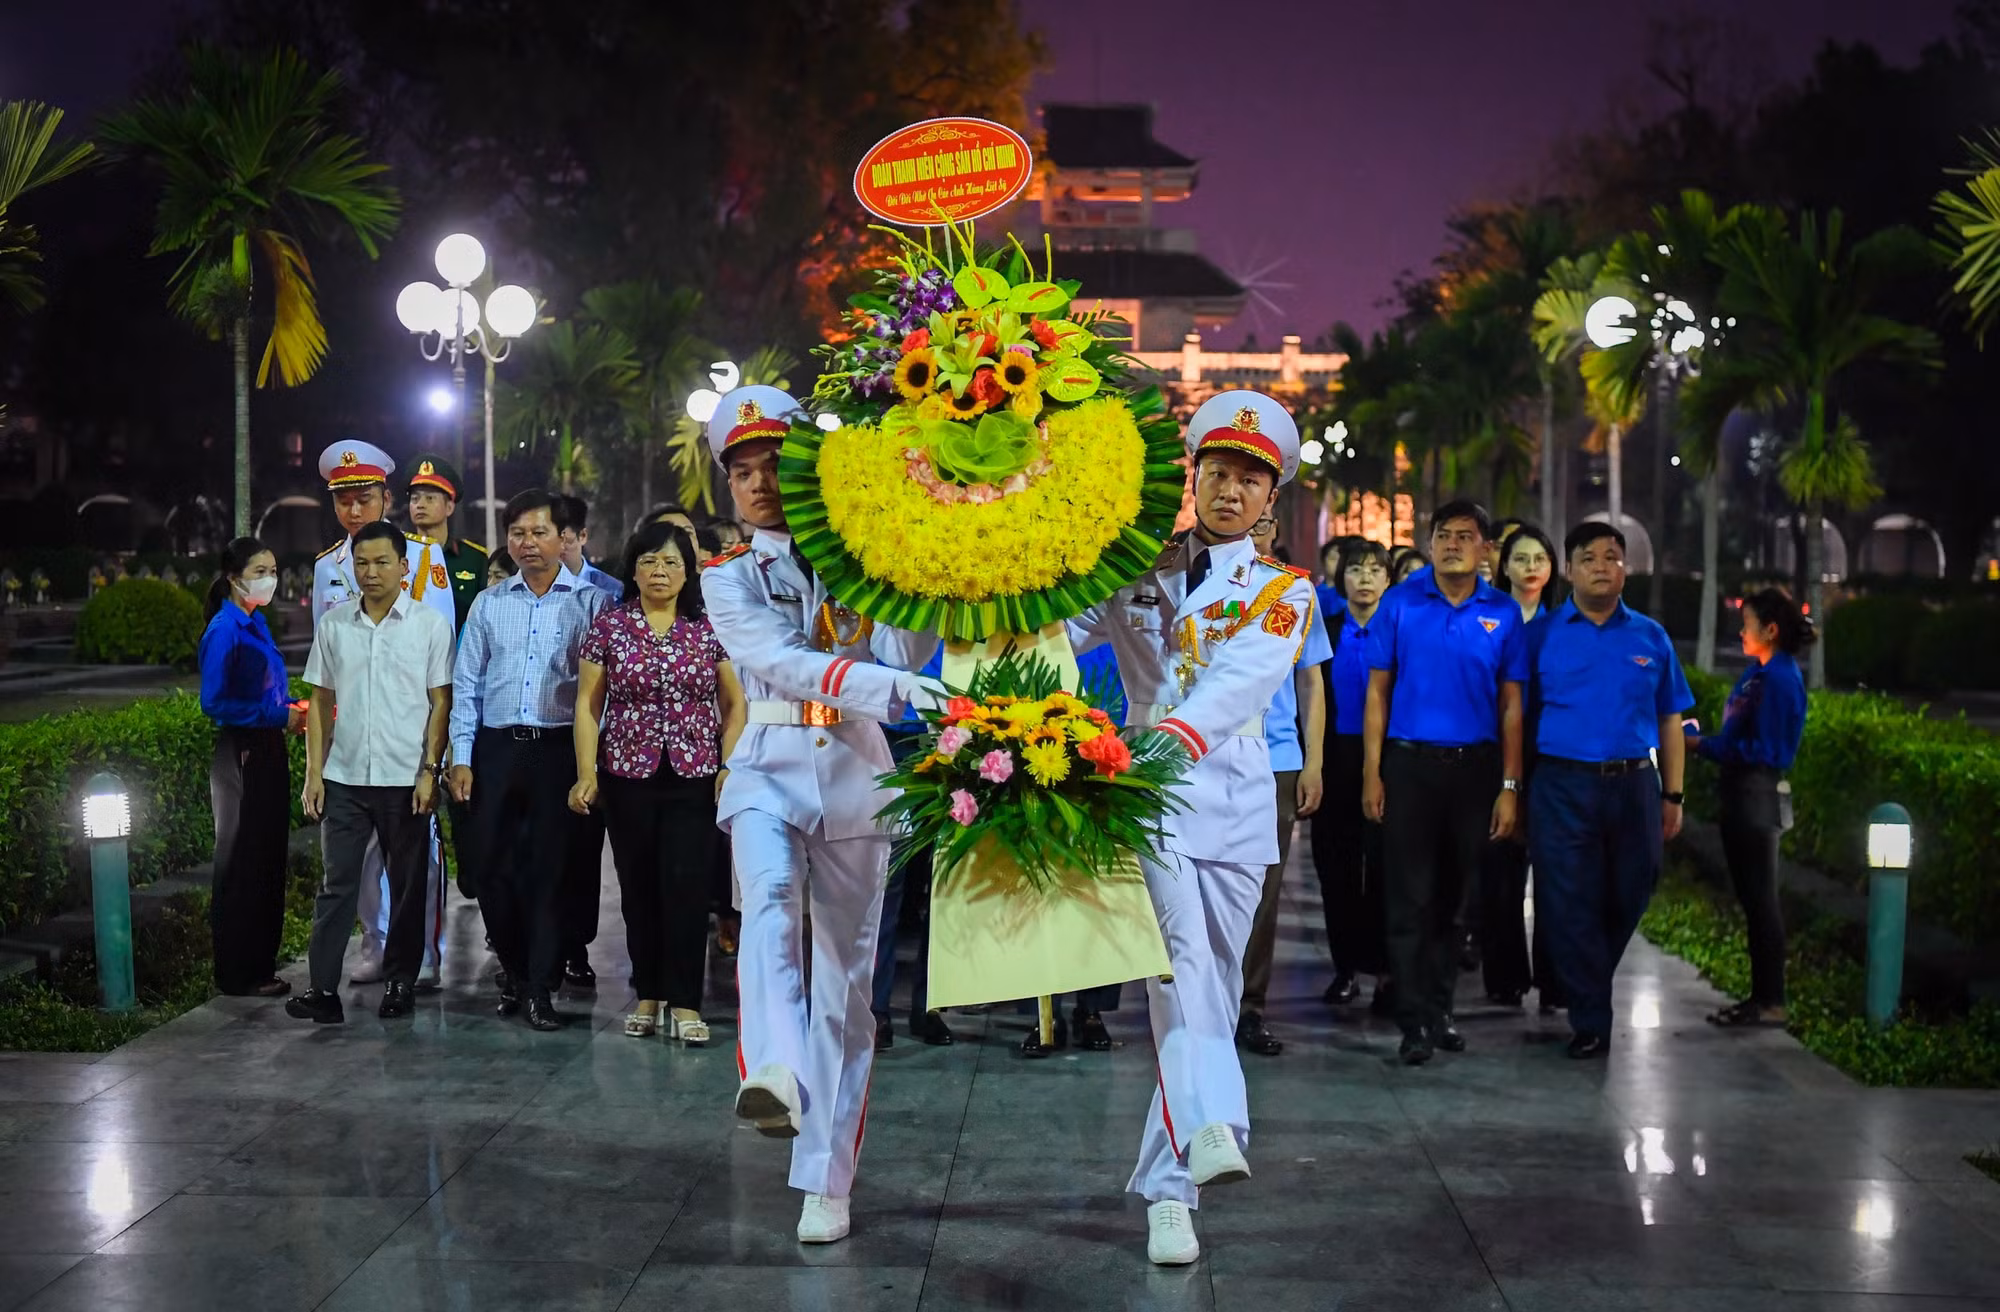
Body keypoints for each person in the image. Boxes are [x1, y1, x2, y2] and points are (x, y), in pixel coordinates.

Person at [1071, 389, 1316, 1267]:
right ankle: (1215, 1121)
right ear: (1193, 477)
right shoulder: (1134, 571)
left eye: (1249, 480)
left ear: (1269, 500)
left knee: (1206, 980)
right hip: (1149, 794)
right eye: (1216, 472)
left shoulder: (1286, 591)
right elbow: (1057, 632)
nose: (1229, 491)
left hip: (1240, 801)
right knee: (1178, 966)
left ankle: (1170, 1187)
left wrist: (1169, 740)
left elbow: (1241, 685)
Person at [698, 384, 940, 1246]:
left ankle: (827, 1181)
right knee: (763, 906)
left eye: (775, 467)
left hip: (854, 772)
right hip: (765, 765)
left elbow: (907, 645)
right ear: (726, 483)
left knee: (847, 984)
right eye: (743, 471)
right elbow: (782, 662)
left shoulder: (859, 553)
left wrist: (909, 566)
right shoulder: (725, 577)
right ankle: (772, 1068)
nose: (760, 484)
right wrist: (901, 690)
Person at [1363, 500, 1526, 1066]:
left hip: (1476, 770)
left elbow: (1511, 706)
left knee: (1459, 902)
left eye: (1465, 536)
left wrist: (1510, 785)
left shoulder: (1503, 614)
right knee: (1410, 897)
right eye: (1443, 535)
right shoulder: (1401, 604)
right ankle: (1413, 1023)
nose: (1453, 544)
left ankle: (1441, 1010)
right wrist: (1372, 772)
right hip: (1410, 767)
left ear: (1485, 549)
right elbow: (1377, 693)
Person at [571, 520, 745, 1043]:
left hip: (694, 776)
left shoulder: (708, 627)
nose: (660, 571)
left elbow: (734, 703)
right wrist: (586, 773)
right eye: (649, 561)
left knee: (688, 888)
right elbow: (587, 703)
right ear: (634, 569)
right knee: (638, 887)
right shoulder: (611, 626)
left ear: (688, 569)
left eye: (671, 561)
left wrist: (728, 764)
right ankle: (648, 991)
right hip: (626, 776)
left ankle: (686, 1001)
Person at [1525, 521, 1692, 1059]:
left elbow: (1671, 719)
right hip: (1560, 782)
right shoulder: (1541, 635)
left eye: (1613, 557)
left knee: (1634, 887)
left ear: (1627, 568)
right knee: (1568, 900)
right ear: (1569, 570)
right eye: (1589, 557)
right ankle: (1592, 1017)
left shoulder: (1650, 636)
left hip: (1634, 784)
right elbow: (1517, 715)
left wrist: (1674, 795)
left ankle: (1584, 979)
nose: (1602, 566)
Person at [448, 489, 611, 1031]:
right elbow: (467, 686)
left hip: (558, 750)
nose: (527, 543)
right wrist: (462, 757)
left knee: (547, 872)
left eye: (539, 532)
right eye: (517, 533)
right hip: (495, 751)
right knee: (492, 869)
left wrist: (590, 767)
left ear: (562, 538)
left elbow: (599, 694)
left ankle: (541, 987)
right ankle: (515, 973)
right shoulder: (490, 604)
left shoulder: (590, 604)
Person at [288, 521, 455, 1023]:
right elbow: (320, 700)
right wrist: (313, 773)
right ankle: (323, 990)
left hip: (406, 779)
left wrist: (431, 769)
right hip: (344, 779)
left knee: (406, 888)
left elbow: (440, 702)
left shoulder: (428, 624)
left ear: (404, 567)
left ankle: (401, 982)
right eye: (362, 563)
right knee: (336, 885)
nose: (371, 572)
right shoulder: (335, 625)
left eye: (382, 562)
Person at [1693, 587, 1810, 1028]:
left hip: (1756, 798)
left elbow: (1769, 748)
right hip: (1742, 795)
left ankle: (1771, 1000)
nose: (1741, 631)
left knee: (1761, 901)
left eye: (1746, 624)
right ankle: (1761, 997)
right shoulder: (1762, 672)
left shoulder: (1779, 678)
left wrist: (1703, 744)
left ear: (1771, 630)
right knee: (1753, 900)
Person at [1234, 510, 1329, 1057]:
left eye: (1266, 523)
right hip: (1204, 756)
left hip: (1275, 761)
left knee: (1264, 893)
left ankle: (1250, 1007)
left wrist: (1313, 761)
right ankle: (1191, 1004)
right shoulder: (1197, 585)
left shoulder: (1295, 593)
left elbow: (1311, 680)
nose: (1253, 530)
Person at [198, 536, 303, 999]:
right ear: (233, 576)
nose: (270, 578)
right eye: (260, 569)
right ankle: (237, 972)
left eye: (273, 568)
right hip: (241, 753)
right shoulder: (224, 629)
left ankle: (260, 964)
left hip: (267, 749)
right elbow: (215, 702)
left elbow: (264, 690)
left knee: (266, 858)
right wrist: (281, 715)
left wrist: (291, 709)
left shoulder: (254, 623)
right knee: (241, 861)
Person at [1480, 524, 1563, 1010]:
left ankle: (1555, 981)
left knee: (1554, 874)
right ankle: (1505, 976)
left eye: (1540, 559)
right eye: (1521, 558)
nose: (1531, 567)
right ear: (1504, 566)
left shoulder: (1563, 625)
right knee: (1501, 873)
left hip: (1550, 756)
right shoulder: (1490, 618)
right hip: (1496, 753)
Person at [1310, 539, 1392, 1011]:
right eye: (1355, 569)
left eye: (1374, 569)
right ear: (1342, 579)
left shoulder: (1398, 630)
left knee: (1384, 871)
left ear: (1388, 579)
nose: (1364, 578)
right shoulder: (1327, 630)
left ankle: (1385, 971)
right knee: (1335, 870)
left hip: (1386, 763)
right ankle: (1345, 969)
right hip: (1336, 758)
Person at [554, 493, 619, 987]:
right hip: (541, 734)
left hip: (593, 734)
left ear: (580, 538)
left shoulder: (609, 593)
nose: (550, 543)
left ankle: (576, 944)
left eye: (561, 534)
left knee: (582, 848)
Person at [404, 454, 489, 633]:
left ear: (449, 507)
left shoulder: (475, 559)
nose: (420, 504)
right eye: (415, 499)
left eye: (430, 499)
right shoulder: (399, 555)